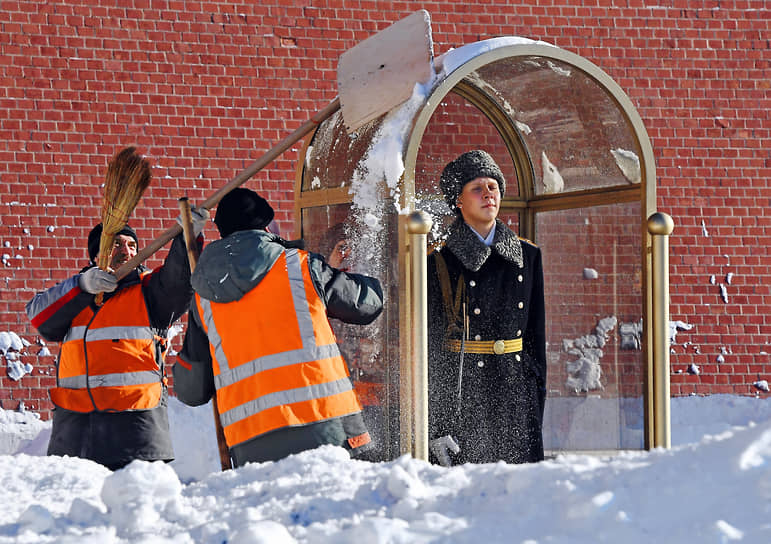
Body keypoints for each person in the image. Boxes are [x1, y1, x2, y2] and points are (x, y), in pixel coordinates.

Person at [173, 188, 384, 466]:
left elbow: (191, 391)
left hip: (250, 443)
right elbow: (367, 303)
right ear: (265, 226)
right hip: (325, 425)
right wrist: (371, 267)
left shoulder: (203, 297)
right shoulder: (300, 266)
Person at [25, 211, 208, 470]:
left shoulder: (150, 291)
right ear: (96, 255)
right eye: (117, 245)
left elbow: (178, 280)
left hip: (135, 431)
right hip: (76, 434)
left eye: (132, 245)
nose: (127, 251)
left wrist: (188, 239)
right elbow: (39, 315)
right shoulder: (76, 296)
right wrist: (82, 286)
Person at [427, 149, 546, 466]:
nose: (487, 194)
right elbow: (431, 350)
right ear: (459, 201)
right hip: (466, 397)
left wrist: (535, 406)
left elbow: (536, 341)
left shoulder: (528, 256)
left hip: (515, 394)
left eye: (492, 187)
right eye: (476, 188)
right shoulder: (439, 261)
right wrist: (436, 426)